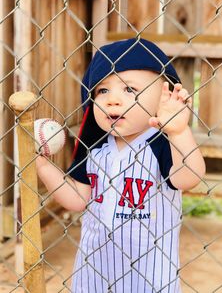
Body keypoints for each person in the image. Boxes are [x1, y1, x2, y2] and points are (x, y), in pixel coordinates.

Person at [36, 38, 206, 293]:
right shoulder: (95, 149)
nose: (112, 100)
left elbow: (189, 177)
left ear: (164, 94)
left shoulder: (163, 144)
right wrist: (43, 166)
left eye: (129, 89)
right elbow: (78, 199)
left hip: (150, 276)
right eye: (102, 91)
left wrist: (179, 132)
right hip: (94, 271)